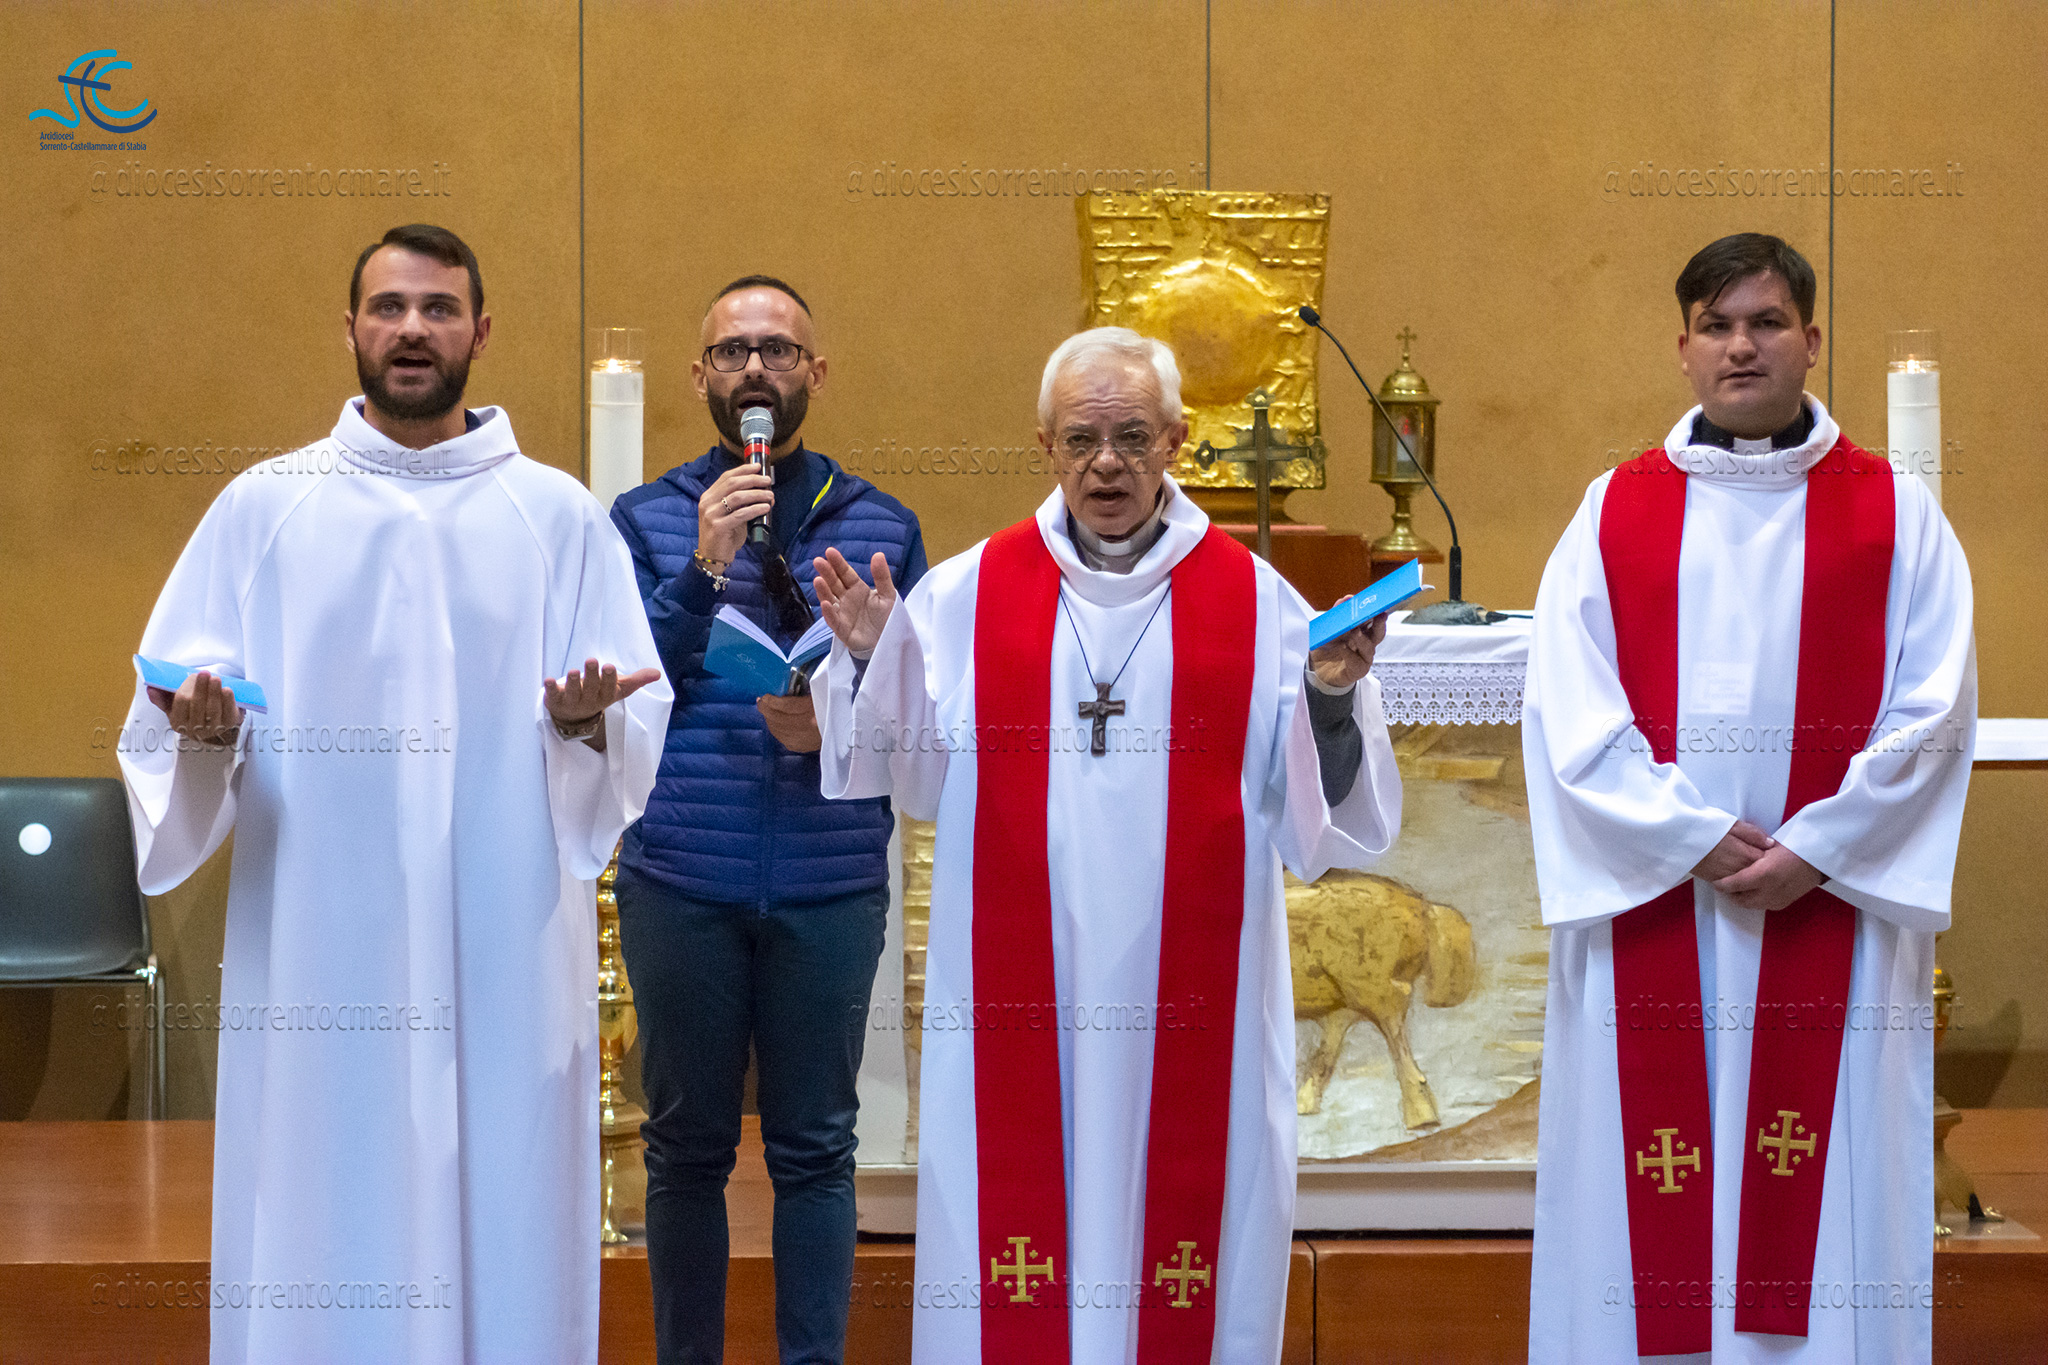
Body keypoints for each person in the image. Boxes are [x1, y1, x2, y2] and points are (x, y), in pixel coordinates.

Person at [118, 223, 669, 1364]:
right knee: (324, 1187)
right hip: (322, 957)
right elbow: (171, 713)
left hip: (503, 951)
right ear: (351, 328)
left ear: (481, 331)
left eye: (438, 309)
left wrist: (584, 727)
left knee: (507, 1188)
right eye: (389, 308)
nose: (412, 330)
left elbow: (629, 720)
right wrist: (206, 737)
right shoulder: (265, 508)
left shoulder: (556, 515)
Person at [808, 326, 1400, 1362]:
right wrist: (872, 661)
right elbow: (910, 775)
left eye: (1132, 436)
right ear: (1044, 446)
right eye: (1080, 439)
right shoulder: (969, 593)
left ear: (1176, 440)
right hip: (1017, 993)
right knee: (1016, 1209)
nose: (1106, 463)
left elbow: (1319, 813)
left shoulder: (1255, 601)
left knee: (1185, 1212)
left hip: (1195, 1000)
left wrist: (1329, 696)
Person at [1523, 233, 1975, 1361]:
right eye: (1716, 325)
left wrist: (1820, 847)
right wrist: (1687, 836)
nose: (1741, 346)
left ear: (1810, 341)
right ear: (1680, 347)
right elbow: (1568, 705)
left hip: (1831, 910)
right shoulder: (1614, 508)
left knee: (1825, 1195)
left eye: (1766, 323)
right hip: (1660, 903)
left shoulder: (1894, 510)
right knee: (1650, 1190)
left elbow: (1933, 706)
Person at [607, 275, 927, 1365]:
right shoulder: (647, 517)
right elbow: (622, 681)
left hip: (827, 878)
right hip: (683, 872)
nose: (755, 367)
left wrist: (858, 685)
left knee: (816, 1148)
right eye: (733, 351)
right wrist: (704, 562)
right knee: (685, 1148)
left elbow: (922, 712)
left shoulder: (882, 522)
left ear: (814, 374)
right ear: (700, 375)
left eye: (778, 350)